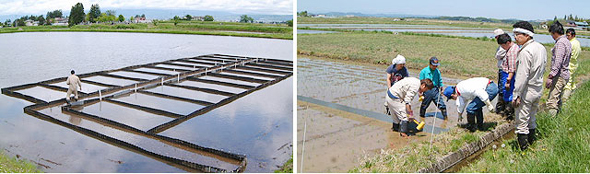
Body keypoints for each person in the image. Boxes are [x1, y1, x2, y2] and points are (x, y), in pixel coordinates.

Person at [511, 21, 547, 150]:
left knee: (522, 121)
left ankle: (523, 151)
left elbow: (522, 76)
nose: (515, 37)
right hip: (537, 88)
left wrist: (516, 95)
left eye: (517, 34)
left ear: (527, 35)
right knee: (532, 118)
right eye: (514, 34)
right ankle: (532, 144)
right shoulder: (541, 47)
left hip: (527, 89)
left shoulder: (525, 52)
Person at [545, 21, 572, 117]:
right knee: (558, 99)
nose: (552, 36)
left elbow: (558, 61)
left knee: (552, 101)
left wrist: (551, 76)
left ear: (555, 32)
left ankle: (550, 122)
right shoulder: (567, 41)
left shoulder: (560, 43)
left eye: (551, 33)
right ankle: (558, 118)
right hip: (564, 74)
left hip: (559, 75)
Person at [496, 33, 519, 120]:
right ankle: (508, 113)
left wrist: (508, 80)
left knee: (508, 93)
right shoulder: (511, 48)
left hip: (509, 75)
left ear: (508, 42)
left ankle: (509, 115)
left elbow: (512, 68)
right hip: (507, 74)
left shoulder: (512, 51)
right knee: (507, 93)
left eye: (502, 45)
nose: (502, 48)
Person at [563, 28, 581, 101]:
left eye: (568, 35)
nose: (567, 37)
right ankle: (572, 97)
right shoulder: (577, 42)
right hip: (574, 65)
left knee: (567, 83)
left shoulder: (571, 44)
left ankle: (565, 100)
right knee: (572, 82)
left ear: (573, 35)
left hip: (569, 65)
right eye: (566, 35)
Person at [493, 28, 508, 114]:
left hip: (504, 70)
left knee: (502, 88)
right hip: (501, 69)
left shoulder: (504, 46)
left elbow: (498, 56)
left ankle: (501, 109)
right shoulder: (501, 46)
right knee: (501, 87)